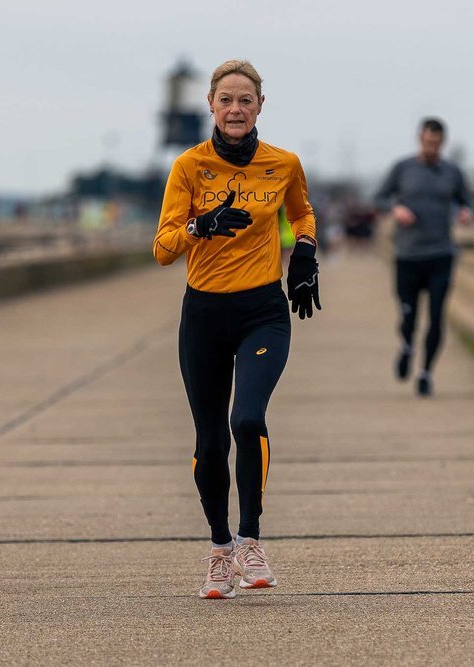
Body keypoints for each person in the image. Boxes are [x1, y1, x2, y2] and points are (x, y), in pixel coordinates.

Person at [154, 60, 319, 600]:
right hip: (203, 316)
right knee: (209, 439)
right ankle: (220, 549)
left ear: (260, 106)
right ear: (210, 104)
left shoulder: (284, 164)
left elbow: (303, 214)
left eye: (245, 99)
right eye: (226, 99)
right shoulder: (188, 167)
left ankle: (251, 539)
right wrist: (200, 225)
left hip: (262, 312)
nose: (235, 109)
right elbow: (162, 248)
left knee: (247, 419)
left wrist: (306, 254)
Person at [374, 118, 472, 397]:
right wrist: (396, 209)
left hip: (441, 254)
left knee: (437, 316)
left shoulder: (452, 172)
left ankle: (426, 372)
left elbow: (465, 200)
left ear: (443, 142)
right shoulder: (403, 169)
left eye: (437, 143)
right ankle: (406, 345)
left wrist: (466, 211)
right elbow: (380, 197)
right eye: (428, 141)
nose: (432, 146)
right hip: (408, 256)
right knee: (409, 317)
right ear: (420, 139)